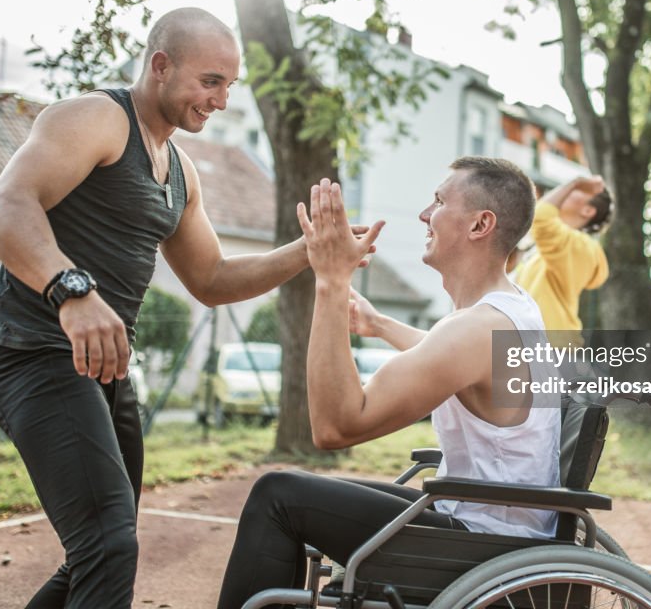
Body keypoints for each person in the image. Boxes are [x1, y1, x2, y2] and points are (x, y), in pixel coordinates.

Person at [0, 8, 319, 609]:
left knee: (104, 547)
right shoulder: (96, 120)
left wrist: (308, 250)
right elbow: (6, 207)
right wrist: (71, 291)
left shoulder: (182, 172)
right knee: (107, 547)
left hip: (104, 371)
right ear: (160, 66)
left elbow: (212, 279)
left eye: (229, 86)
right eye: (210, 81)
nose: (220, 100)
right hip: (34, 354)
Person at [217, 157, 561, 608]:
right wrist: (379, 324)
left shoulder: (475, 329)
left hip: (484, 549)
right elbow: (455, 361)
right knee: (296, 493)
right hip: (503, 532)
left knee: (277, 496)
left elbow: (336, 426)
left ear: (480, 224)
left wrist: (331, 282)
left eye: (438, 201)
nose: (424, 214)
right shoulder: (510, 311)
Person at [512, 174, 611, 330]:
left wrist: (575, 181)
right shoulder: (548, 247)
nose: (563, 192)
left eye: (573, 192)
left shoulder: (583, 246)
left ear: (587, 210)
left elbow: (539, 216)